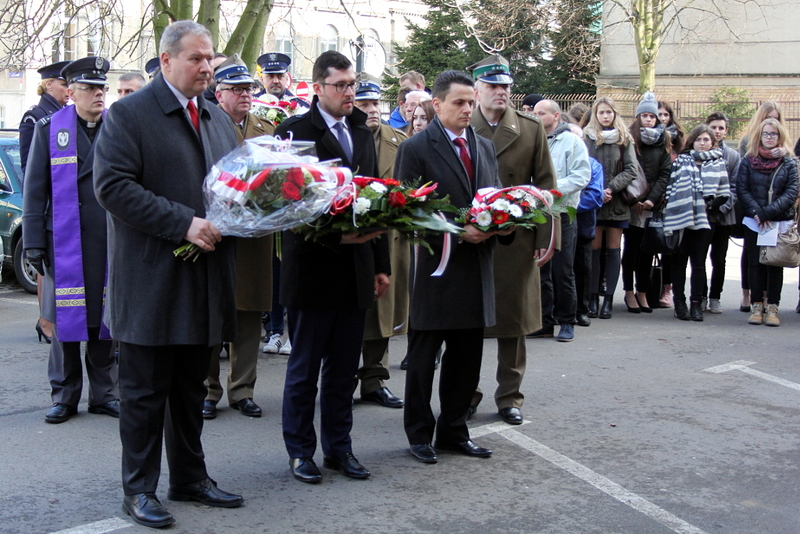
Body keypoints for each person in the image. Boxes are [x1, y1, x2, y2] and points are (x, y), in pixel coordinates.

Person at [93, 21, 244, 528]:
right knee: (143, 393)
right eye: (196, 59)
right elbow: (112, 187)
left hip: (204, 281)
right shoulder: (130, 115)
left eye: (210, 59)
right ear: (165, 61)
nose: (206, 67)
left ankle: (190, 478)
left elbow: (234, 186)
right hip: (151, 281)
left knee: (189, 388)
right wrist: (183, 223)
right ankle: (138, 490)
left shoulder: (217, 117)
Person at [273, 51, 390, 484]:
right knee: (305, 369)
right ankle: (301, 451)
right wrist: (335, 236)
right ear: (318, 87)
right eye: (340, 85)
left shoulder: (363, 131)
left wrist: (380, 264)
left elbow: (376, 199)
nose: (349, 93)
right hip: (312, 269)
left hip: (357, 268)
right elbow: (286, 206)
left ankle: (339, 448)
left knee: (343, 369)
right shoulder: (294, 132)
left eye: (352, 84)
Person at [395, 70, 506, 463]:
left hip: (476, 269)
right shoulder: (416, 148)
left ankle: (454, 430)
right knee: (425, 359)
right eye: (458, 102)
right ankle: (420, 434)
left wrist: (501, 224)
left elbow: (492, 199)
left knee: (466, 358)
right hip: (436, 271)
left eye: (470, 102)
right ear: (437, 104)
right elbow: (407, 212)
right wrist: (460, 232)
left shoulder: (484, 146)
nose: (466, 109)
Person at [22, 57, 119, 425]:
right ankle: (64, 396)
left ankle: (105, 394)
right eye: (90, 88)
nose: (99, 94)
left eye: (102, 88)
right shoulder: (51, 129)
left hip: (108, 241)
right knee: (65, 322)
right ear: (72, 93)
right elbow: (34, 189)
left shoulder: (117, 128)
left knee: (103, 322)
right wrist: (33, 241)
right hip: (63, 241)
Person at [470, 57, 556, 425]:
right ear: (476, 90)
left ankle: (510, 396)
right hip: (471, 238)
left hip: (516, 240)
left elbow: (547, 186)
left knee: (513, 323)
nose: (500, 91)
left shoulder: (530, 128)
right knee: (469, 323)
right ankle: (466, 393)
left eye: (505, 86)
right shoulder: (461, 126)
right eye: (492, 86)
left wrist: (543, 236)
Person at [203, 55, 275, 420]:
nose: (246, 94)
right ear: (220, 93)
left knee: (249, 312)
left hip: (255, 236)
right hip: (214, 233)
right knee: (214, 311)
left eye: (249, 88)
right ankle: (208, 389)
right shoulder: (205, 124)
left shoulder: (265, 129)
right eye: (237, 89)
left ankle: (242, 389)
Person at [352, 81, 409, 409]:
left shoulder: (399, 141)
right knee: (352, 310)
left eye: (375, 103)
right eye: (364, 104)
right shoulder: (343, 139)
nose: (372, 110)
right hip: (353, 235)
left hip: (390, 236)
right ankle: (344, 378)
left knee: (382, 310)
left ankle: (375, 380)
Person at [19, 60, 72, 345]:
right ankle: (46, 320)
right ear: (48, 84)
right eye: (63, 84)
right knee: (47, 267)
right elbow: (31, 168)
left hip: (67, 199)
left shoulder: (65, 114)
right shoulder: (36, 117)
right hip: (51, 200)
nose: (67, 89)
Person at [530, 98, 590, 341]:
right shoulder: (533, 141)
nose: (536, 117)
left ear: (556, 117)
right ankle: (544, 321)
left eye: (541, 113)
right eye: (534, 113)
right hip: (537, 213)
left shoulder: (572, 141)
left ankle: (567, 321)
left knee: (563, 270)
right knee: (539, 269)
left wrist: (552, 189)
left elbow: (582, 175)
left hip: (562, 213)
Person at [662, 124, 730, 322]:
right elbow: (671, 188)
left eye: (706, 139)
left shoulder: (718, 162)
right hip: (681, 218)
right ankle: (680, 304)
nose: (702, 143)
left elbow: (724, 192)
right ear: (692, 141)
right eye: (699, 139)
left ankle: (696, 303)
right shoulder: (682, 161)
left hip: (706, 220)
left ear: (712, 142)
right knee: (679, 262)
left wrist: (708, 205)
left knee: (699, 263)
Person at [738, 118, 798, 327]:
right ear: (759, 135)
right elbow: (742, 189)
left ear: (780, 136)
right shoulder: (748, 160)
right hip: (755, 221)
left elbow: (791, 193)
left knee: (774, 264)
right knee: (755, 264)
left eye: (774, 134)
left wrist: (768, 213)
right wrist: (758, 213)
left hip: (778, 221)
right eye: (766, 133)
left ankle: (772, 306)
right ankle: (756, 305)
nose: (770, 137)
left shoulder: (788, 162)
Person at [583, 97, 637, 319]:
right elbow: (582, 166)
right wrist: (598, 191)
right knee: (594, 252)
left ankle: (608, 300)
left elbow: (632, 169)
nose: (605, 116)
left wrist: (611, 189)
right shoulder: (587, 137)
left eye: (609, 112)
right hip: (594, 202)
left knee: (614, 251)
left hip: (616, 203)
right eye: (601, 112)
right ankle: (593, 298)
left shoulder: (624, 139)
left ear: (615, 114)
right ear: (595, 115)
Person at [620, 92, 672, 314]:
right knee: (630, 249)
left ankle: (643, 292)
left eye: (653, 116)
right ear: (638, 117)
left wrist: (651, 199)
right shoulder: (629, 139)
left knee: (647, 251)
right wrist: (635, 199)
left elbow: (665, 173)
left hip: (652, 204)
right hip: (631, 203)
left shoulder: (663, 140)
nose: (649, 119)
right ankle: (629, 292)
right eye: (645, 115)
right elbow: (625, 169)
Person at [737, 101, 787, 312]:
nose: (772, 122)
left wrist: (769, 211)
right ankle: (749, 296)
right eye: (769, 117)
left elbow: (790, 187)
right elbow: (743, 183)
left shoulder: (785, 153)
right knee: (752, 257)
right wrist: (758, 212)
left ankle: (769, 300)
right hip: (753, 213)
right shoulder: (748, 144)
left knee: (773, 259)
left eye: (776, 118)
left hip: (775, 213)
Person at [703, 111, 741, 314]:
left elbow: (735, 187)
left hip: (724, 216)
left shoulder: (733, 156)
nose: (717, 131)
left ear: (726, 131)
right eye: (714, 127)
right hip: (702, 215)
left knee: (719, 258)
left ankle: (715, 297)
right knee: (699, 258)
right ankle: (700, 296)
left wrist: (723, 206)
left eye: (721, 128)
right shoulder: (697, 151)